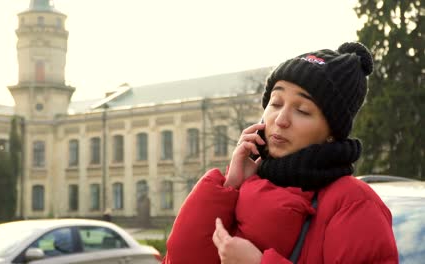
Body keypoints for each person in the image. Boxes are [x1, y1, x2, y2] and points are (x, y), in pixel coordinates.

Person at [162, 42, 398, 264]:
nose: (281, 119)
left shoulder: (353, 202)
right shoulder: (244, 185)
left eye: (302, 110)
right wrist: (229, 186)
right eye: (275, 103)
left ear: (332, 132)